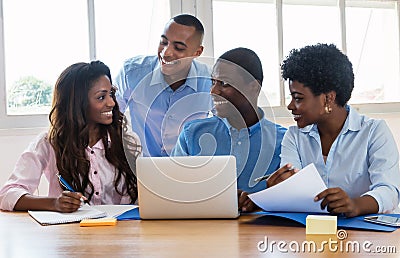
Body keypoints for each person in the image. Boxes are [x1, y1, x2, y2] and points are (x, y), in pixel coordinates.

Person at [268, 43, 400, 217]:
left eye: (298, 98)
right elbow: (296, 192)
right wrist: (279, 189)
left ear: (328, 98)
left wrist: (355, 205)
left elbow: (389, 191)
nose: (290, 106)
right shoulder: (294, 137)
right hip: (309, 233)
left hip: (365, 236)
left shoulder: (374, 132)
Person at [0, 61, 141, 212]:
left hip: (121, 231)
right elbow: (7, 195)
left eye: (111, 94)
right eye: (101, 97)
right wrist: (54, 203)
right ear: (77, 103)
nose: (112, 103)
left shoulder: (126, 141)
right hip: (70, 232)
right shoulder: (49, 143)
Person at [172, 47, 287, 211]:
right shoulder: (192, 133)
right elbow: (174, 190)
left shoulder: (282, 141)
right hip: (201, 230)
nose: (213, 91)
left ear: (254, 87)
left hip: (261, 231)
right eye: (213, 82)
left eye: (224, 84)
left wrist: (259, 199)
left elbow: (289, 199)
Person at [114, 14, 212, 157]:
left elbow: (225, 128)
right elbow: (111, 117)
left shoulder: (210, 81)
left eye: (178, 48)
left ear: (197, 52)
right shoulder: (132, 73)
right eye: (163, 42)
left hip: (189, 170)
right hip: (141, 168)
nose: (166, 53)